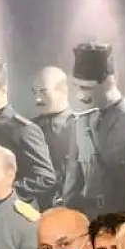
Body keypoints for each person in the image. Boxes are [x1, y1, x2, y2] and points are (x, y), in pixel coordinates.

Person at [61, 42, 125, 216]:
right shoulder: (80, 123)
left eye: (87, 88)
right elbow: (72, 183)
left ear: (108, 82)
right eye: (77, 86)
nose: (80, 95)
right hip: (90, 221)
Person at [0, 58, 56, 206]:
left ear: (4, 90)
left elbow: (46, 178)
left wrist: (5, 190)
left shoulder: (23, 129)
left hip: (14, 209)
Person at [31, 67, 76, 206]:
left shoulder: (81, 125)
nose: (37, 98)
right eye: (34, 92)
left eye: (44, 92)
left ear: (64, 91)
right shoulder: (29, 128)